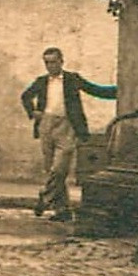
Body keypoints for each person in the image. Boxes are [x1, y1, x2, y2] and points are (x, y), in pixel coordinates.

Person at [20, 46, 115, 221]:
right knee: (51, 169)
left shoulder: (72, 79)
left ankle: (45, 196)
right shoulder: (41, 81)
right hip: (46, 126)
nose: (50, 66)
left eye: (54, 62)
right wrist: (33, 112)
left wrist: (122, 90)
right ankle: (62, 210)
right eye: (47, 63)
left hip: (67, 126)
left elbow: (96, 90)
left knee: (59, 168)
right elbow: (25, 96)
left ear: (61, 62)